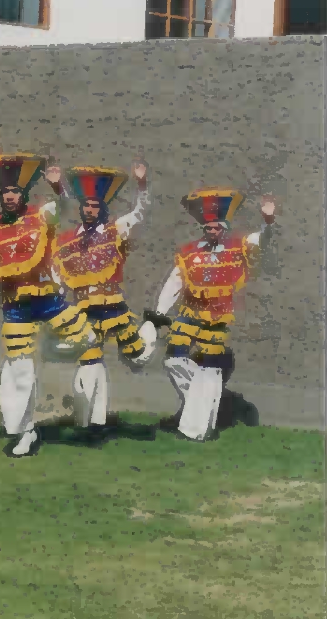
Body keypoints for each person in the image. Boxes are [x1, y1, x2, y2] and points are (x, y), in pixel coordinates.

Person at [0, 152, 95, 457]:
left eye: (15, 191)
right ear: (0, 195)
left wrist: (58, 187)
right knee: (19, 368)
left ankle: (44, 350)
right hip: (15, 307)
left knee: (87, 338)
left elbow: (64, 208)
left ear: (24, 194)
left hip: (49, 301)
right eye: (6, 192)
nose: (10, 196)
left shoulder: (40, 216)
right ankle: (25, 431)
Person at [144, 188, 277, 441]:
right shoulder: (190, 251)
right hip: (189, 313)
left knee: (209, 371)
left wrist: (267, 221)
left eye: (217, 228)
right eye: (208, 228)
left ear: (224, 227)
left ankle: (196, 430)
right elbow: (175, 281)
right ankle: (205, 403)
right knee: (173, 360)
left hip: (217, 317)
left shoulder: (238, 246)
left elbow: (262, 239)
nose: (212, 231)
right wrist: (159, 313)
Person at [49, 160, 155, 431]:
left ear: (103, 208)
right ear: (81, 208)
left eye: (95, 206)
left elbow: (140, 213)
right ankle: (91, 423)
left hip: (113, 307)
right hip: (84, 309)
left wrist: (142, 185)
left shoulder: (115, 230)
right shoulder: (67, 241)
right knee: (90, 360)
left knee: (136, 354)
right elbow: (59, 278)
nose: (90, 210)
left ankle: (152, 329)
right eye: (86, 205)